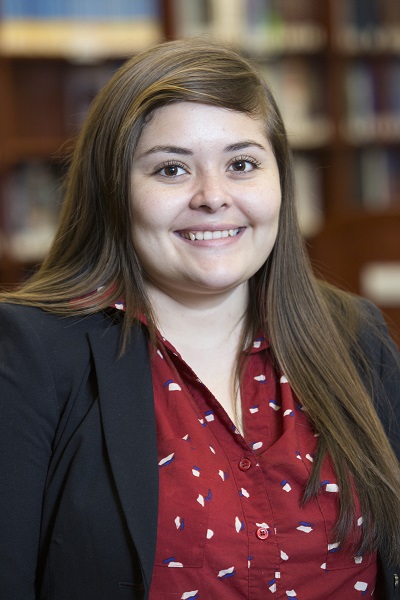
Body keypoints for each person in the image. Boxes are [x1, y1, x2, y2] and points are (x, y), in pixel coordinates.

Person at [0, 38, 399, 600]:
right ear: (113, 192)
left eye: (241, 164)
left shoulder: (356, 336)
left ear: (281, 181)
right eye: (170, 169)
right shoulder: (28, 352)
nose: (213, 197)